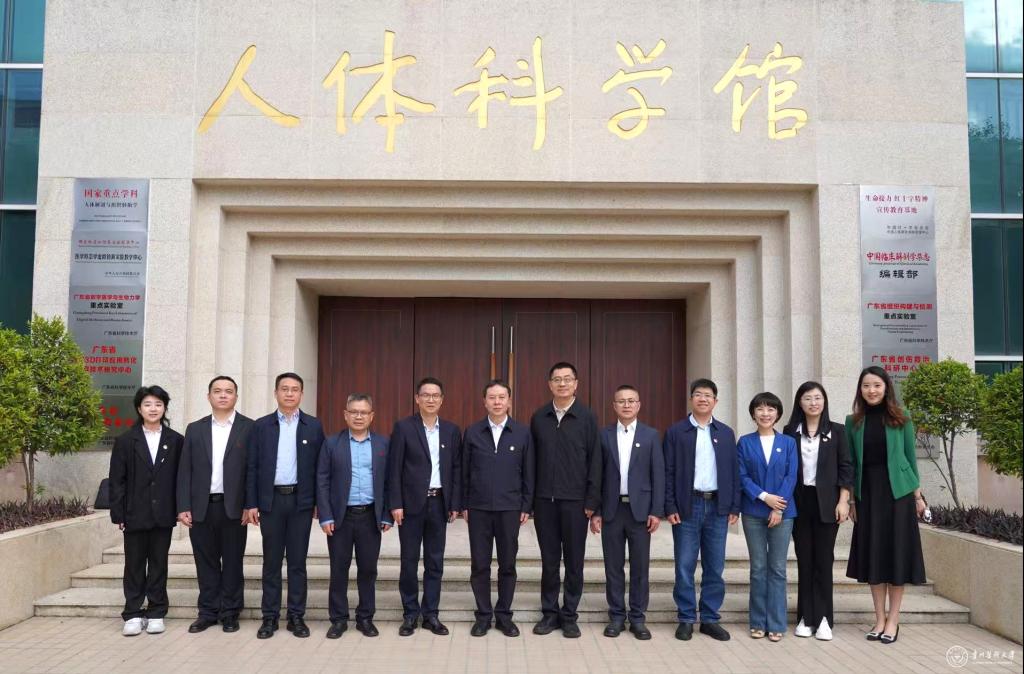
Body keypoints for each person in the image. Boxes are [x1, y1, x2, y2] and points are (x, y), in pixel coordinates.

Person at [846, 366, 926, 644]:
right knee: (874, 556)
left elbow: (910, 459)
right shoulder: (853, 422)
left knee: (896, 555)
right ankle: (879, 618)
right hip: (867, 495)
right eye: (866, 385)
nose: (872, 390)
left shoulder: (901, 418)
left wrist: (918, 497)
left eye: (877, 385)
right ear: (860, 390)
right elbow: (850, 464)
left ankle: (893, 620)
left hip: (898, 495)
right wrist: (851, 500)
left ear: (886, 388)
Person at [244, 372, 325, 639]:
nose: (289, 393)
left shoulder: (313, 426)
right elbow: (252, 466)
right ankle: (269, 617)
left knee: (298, 562)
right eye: (284, 389)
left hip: (301, 502)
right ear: (276, 393)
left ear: (301, 394)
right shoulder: (261, 426)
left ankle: (296, 616)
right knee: (271, 562)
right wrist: (251, 502)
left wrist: (319, 503)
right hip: (271, 502)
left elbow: (320, 469)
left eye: (295, 389)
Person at [664, 378, 740, 642]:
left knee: (714, 566)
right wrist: (669, 505)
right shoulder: (676, 432)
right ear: (691, 399)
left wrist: (734, 506)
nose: (703, 399)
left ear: (715, 401)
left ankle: (709, 618)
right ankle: (686, 618)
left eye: (708, 395)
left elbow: (733, 473)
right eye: (698, 394)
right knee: (684, 565)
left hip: (718, 507)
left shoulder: (726, 433)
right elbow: (668, 472)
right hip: (687, 506)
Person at [176, 375, 254, 634]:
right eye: (217, 391)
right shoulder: (195, 429)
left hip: (234, 508)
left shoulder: (249, 427)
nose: (223, 395)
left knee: (232, 562)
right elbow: (185, 470)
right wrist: (183, 506)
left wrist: (250, 504)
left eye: (228, 391)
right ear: (208, 396)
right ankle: (208, 612)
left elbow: (253, 470)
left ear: (236, 397)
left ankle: (230, 612)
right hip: (202, 507)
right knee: (205, 562)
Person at [530, 361, 602, 639]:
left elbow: (595, 461)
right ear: (549, 384)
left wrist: (592, 501)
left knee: (574, 562)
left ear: (576, 384)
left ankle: (569, 615)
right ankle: (549, 613)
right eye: (557, 379)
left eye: (567, 379)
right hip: (544, 502)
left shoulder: (587, 417)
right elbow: (531, 461)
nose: (562, 384)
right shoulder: (539, 417)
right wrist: (530, 501)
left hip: (576, 503)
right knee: (549, 561)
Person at [388, 377, 462, 636]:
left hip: (439, 503)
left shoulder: (451, 430)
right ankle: (410, 614)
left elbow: (456, 468)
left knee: (435, 562)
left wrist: (454, 503)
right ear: (417, 399)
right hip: (410, 506)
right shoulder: (403, 428)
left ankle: (431, 614)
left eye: (435, 395)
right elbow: (394, 468)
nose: (431, 399)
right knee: (409, 561)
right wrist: (396, 503)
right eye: (426, 395)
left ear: (442, 400)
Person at [590, 385, 664, 640]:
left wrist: (656, 511)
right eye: (621, 401)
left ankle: (638, 618)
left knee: (640, 568)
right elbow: (597, 475)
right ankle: (616, 616)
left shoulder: (651, 435)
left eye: (631, 401)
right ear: (614, 406)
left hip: (640, 512)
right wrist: (596, 511)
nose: (626, 405)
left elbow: (658, 475)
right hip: (612, 510)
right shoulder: (604, 435)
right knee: (613, 567)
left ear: (639, 405)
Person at [108, 385, 184, 637]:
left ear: (165, 408)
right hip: (134, 513)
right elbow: (117, 480)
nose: (153, 409)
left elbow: (180, 478)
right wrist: (118, 513)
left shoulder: (176, 440)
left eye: (158, 404)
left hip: (163, 513)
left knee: (159, 564)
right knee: (134, 565)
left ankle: (156, 611)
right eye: (148, 404)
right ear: (139, 409)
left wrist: (180, 508)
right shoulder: (125, 441)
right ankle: (132, 613)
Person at [461, 379, 534, 638]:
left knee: (507, 564)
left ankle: (504, 616)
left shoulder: (522, 433)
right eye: (492, 397)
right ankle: (483, 616)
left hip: (510, 508)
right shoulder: (472, 432)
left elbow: (529, 472)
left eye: (502, 397)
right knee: (480, 564)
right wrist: (463, 504)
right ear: (484, 401)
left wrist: (526, 505)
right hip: (478, 508)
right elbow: (464, 472)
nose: (497, 402)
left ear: (509, 401)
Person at [316, 393, 393, 639]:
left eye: (364, 412)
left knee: (368, 570)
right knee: (339, 569)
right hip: (341, 518)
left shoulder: (383, 444)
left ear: (372, 416)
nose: (359, 416)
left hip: (370, 516)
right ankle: (338, 620)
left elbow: (390, 481)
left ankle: (365, 618)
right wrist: (325, 516)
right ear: (345, 415)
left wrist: (387, 514)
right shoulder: (331, 443)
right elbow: (322, 481)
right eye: (354, 412)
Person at [783, 381, 853, 641]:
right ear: (799, 403)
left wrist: (844, 501)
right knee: (805, 559)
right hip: (799, 502)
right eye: (807, 398)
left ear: (824, 401)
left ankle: (824, 619)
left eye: (817, 398)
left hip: (828, 503)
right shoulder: (790, 432)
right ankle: (805, 617)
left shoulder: (838, 431)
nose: (813, 403)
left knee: (824, 560)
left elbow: (846, 467)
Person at [737, 392, 798, 643]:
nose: (765, 413)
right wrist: (764, 497)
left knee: (778, 568)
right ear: (753, 414)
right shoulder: (744, 442)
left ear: (778, 414)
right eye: (760, 409)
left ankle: (777, 623)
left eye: (771, 409)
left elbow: (791, 476)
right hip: (753, 511)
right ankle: (757, 622)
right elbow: (741, 476)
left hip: (783, 513)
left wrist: (778, 507)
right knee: (758, 568)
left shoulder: (789, 442)